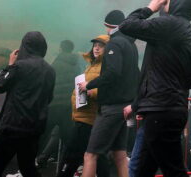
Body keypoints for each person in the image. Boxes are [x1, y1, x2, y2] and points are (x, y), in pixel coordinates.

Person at [121, 0, 191, 177]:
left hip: (161, 109)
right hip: (170, 108)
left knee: (173, 170)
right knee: (142, 170)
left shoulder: (170, 25)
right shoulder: (189, 33)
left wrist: (150, 8)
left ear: (178, 3)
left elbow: (127, 26)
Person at [78, 10, 140, 177]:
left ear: (108, 26)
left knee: (90, 155)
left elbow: (113, 73)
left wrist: (89, 84)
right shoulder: (131, 45)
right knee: (119, 155)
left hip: (111, 108)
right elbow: (136, 73)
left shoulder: (114, 43)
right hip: (126, 107)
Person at [0, 31, 56, 177]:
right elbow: (49, 98)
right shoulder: (50, 70)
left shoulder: (19, 66)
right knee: (28, 168)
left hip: (12, 126)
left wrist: (10, 65)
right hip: (33, 127)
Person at [57, 35, 111, 177]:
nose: (97, 48)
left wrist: (89, 90)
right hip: (84, 116)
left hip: (89, 118)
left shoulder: (106, 67)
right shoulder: (92, 65)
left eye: (101, 45)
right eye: (95, 45)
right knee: (96, 156)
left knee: (72, 155)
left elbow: (108, 90)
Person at [38, 40, 80, 167]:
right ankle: (64, 166)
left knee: (42, 134)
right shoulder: (77, 65)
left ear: (61, 48)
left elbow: (46, 84)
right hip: (69, 106)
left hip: (53, 104)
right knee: (67, 138)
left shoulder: (55, 64)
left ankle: (35, 162)